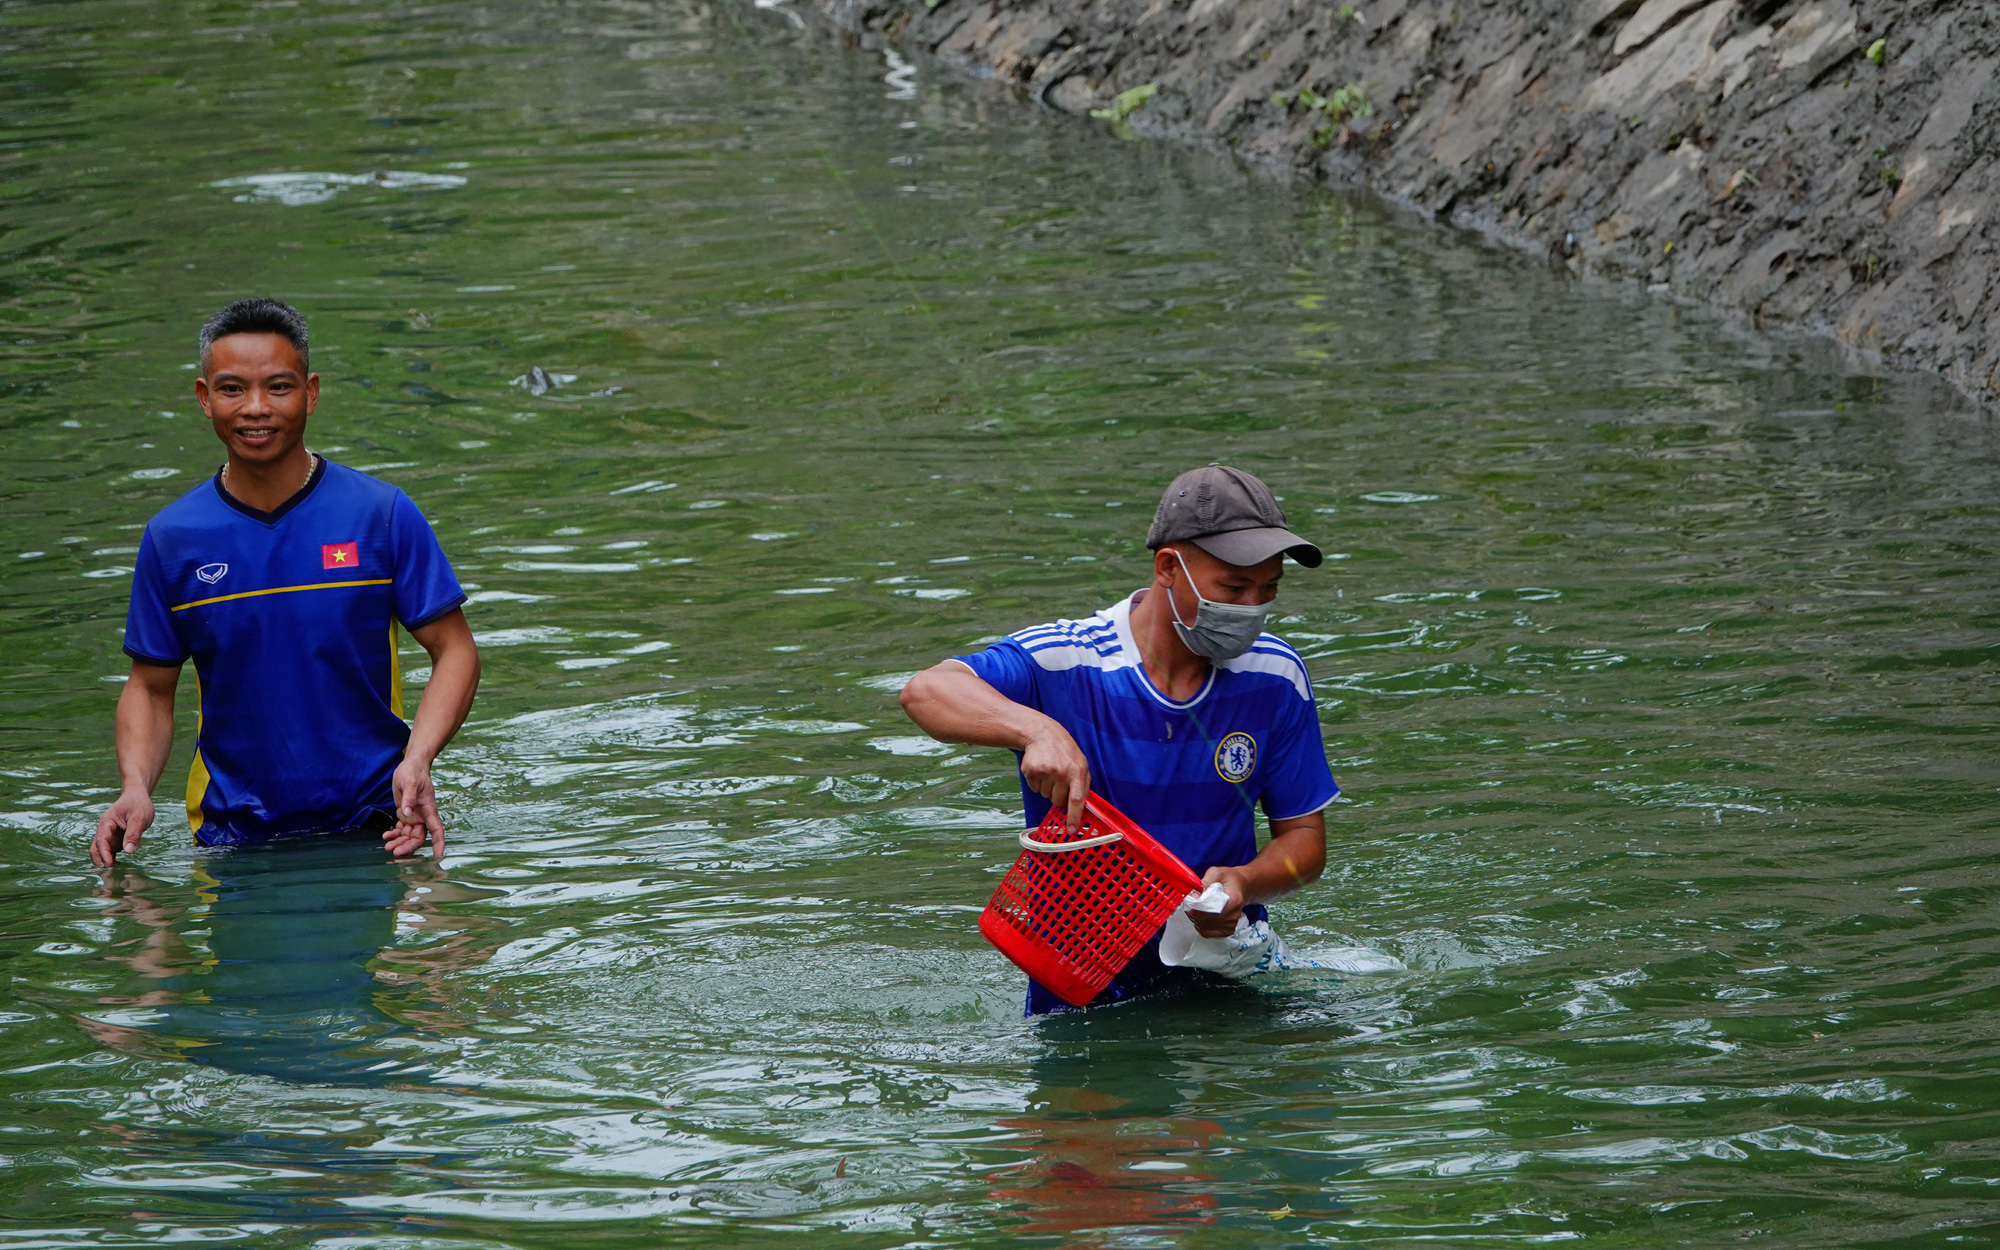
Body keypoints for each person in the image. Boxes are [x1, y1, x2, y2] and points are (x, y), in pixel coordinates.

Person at [899, 463, 1338, 1014]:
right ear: (1167, 568)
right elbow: (927, 690)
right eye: (1233, 588)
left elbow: (1306, 842)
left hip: (1225, 974)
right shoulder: (1063, 658)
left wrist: (1245, 883)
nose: (1251, 610)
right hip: (1082, 987)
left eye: (1268, 590)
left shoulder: (1276, 674)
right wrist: (1037, 728)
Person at [90, 298, 481, 865]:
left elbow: (456, 650)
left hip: (379, 828)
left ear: (311, 392)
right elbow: (151, 687)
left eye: (278, 387)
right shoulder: (173, 539)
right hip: (231, 841)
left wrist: (418, 759)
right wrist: (135, 787)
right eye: (232, 389)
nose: (255, 408)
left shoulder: (381, 514)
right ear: (204, 398)